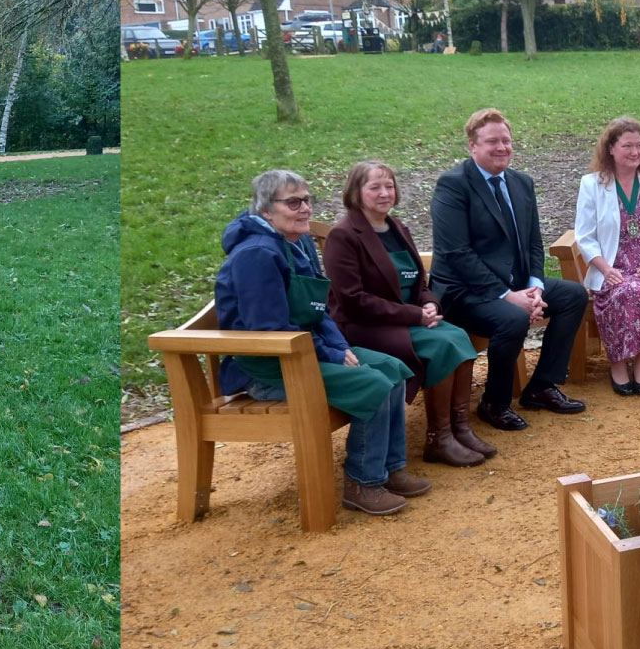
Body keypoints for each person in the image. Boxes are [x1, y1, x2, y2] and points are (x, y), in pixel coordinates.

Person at [215, 169, 427, 516]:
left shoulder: (297, 244)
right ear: (266, 210)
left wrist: (339, 347)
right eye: (293, 202)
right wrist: (329, 352)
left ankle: (389, 468)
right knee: (372, 382)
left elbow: (320, 309)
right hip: (270, 366)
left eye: (307, 200)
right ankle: (363, 482)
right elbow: (268, 330)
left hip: (307, 350)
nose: (305, 209)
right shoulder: (256, 255)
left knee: (394, 368)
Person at [324, 161, 495, 468]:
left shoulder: (396, 227)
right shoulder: (344, 235)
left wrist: (429, 304)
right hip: (364, 326)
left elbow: (419, 281)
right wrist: (414, 315)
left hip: (410, 317)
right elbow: (353, 301)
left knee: (458, 336)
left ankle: (459, 428)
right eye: (374, 187)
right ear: (356, 192)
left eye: (389, 186)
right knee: (441, 345)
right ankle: (438, 439)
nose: (384, 193)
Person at [429, 108, 589, 430]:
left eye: (506, 140)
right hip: (465, 293)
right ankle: (495, 402)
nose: (502, 147)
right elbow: (457, 254)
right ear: (472, 146)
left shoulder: (521, 183)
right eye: (492, 142)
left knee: (573, 295)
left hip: (516, 284)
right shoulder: (453, 186)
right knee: (513, 318)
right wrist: (508, 296)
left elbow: (533, 242)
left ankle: (541, 386)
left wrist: (535, 288)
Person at [572, 117, 640, 395]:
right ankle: (618, 363)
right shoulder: (592, 184)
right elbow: (584, 236)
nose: (634, 152)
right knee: (623, 292)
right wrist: (606, 269)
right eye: (627, 146)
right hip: (611, 266)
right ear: (611, 148)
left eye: (639, 146)